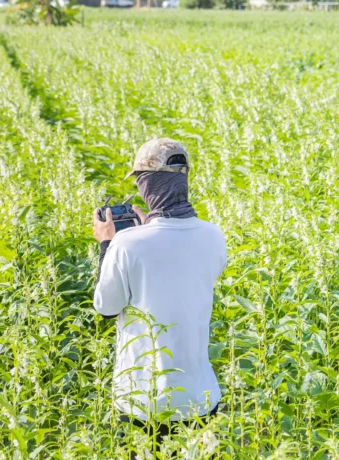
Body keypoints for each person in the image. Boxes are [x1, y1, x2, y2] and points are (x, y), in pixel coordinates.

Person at [92, 138, 227, 452]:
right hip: (200, 396)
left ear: (147, 185)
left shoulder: (127, 244)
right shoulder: (214, 235)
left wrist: (107, 246)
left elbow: (106, 307)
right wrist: (148, 227)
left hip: (142, 400)